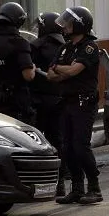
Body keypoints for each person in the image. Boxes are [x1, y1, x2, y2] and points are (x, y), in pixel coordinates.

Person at [47, 6, 104, 205]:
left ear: (80, 24)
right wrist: (61, 70)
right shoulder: (65, 47)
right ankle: (77, 189)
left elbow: (73, 71)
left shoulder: (90, 47)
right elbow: (50, 75)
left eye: (70, 23)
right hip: (67, 103)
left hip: (83, 103)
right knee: (67, 147)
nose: (66, 26)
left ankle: (94, 187)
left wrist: (60, 69)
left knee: (81, 146)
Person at [30, 12, 69, 195]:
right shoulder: (66, 47)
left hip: (38, 100)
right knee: (58, 141)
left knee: (35, 141)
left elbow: (28, 73)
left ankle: (37, 181)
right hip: (60, 100)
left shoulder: (35, 46)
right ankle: (60, 182)